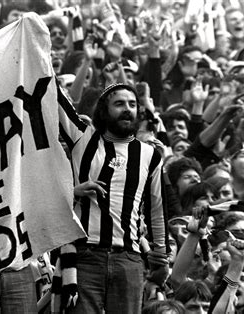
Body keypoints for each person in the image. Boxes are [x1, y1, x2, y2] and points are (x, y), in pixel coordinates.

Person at [60, 83, 169, 313]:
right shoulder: (83, 138)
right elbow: (56, 101)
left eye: (132, 104)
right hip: (85, 256)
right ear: (103, 110)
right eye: (119, 104)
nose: (127, 109)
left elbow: (156, 209)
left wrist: (160, 253)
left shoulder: (150, 155)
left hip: (129, 259)